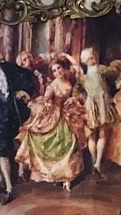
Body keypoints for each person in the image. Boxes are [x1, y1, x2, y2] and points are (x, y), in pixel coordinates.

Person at [0, 47, 38, 204]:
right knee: (2, 149)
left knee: (18, 142)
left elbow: (28, 76)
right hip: (0, 116)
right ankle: (9, 188)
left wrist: (25, 92)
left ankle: (20, 172)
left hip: (14, 113)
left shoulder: (10, 67)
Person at [16, 56, 85, 189]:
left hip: (67, 112)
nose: (58, 72)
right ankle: (58, 175)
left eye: (59, 68)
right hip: (55, 114)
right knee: (58, 145)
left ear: (63, 68)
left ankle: (67, 178)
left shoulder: (69, 79)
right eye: (54, 70)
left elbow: (76, 68)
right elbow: (47, 97)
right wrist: (47, 101)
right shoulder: (52, 85)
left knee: (70, 143)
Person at [76, 47, 117, 177]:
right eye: (92, 56)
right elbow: (113, 71)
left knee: (93, 134)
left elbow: (77, 90)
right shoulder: (99, 69)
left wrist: (85, 98)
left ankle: (95, 162)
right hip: (101, 104)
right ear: (89, 59)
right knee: (101, 133)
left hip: (91, 104)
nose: (94, 58)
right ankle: (97, 163)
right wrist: (118, 66)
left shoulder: (83, 75)